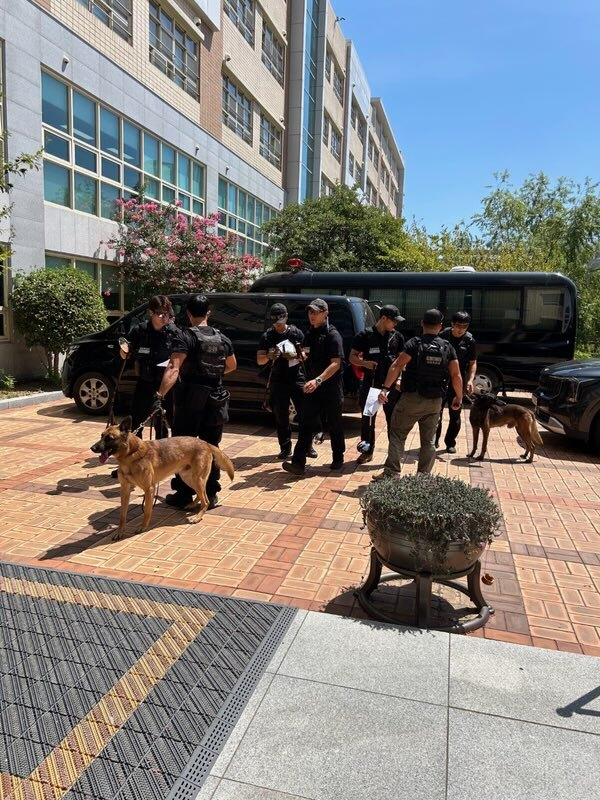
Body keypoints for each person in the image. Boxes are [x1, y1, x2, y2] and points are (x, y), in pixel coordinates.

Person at [155, 295, 237, 510]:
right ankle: (211, 493)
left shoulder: (185, 337)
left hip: (189, 401)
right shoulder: (223, 339)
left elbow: (173, 368)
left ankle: (183, 494)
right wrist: (212, 375)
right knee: (211, 447)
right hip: (216, 399)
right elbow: (231, 366)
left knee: (182, 448)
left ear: (189, 313)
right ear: (208, 313)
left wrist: (160, 395)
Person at [375, 309, 462, 477]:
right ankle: (423, 477)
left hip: (411, 398)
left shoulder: (414, 343)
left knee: (398, 434)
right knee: (428, 441)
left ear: (422, 323)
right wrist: (458, 397)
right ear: (440, 326)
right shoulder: (447, 347)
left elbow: (397, 365)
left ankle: (391, 473)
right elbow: (456, 375)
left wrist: (385, 388)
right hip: (435, 401)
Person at [110, 295, 178, 478]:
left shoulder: (173, 332)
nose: (164, 317)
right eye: (159, 314)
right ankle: (128, 463)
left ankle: (160, 463)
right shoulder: (140, 330)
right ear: (150, 313)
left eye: (167, 314)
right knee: (136, 421)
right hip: (145, 382)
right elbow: (126, 352)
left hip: (164, 385)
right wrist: (124, 350)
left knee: (162, 424)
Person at [282, 298, 345, 475]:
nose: (312, 315)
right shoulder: (310, 333)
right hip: (312, 387)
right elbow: (307, 354)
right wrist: (296, 355)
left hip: (329, 387)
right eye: (310, 312)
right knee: (306, 423)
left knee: (334, 423)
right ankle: (298, 463)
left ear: (325, 314)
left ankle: (338, 457)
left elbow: (336, 364)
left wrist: (318, 380)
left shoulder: (333, 335)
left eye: (315, 312)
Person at [256, 303, 317, 460]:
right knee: (281, 415)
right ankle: (285, 447)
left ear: (286, 317)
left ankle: (307, 446)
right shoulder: (267, 336)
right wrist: (269, 356)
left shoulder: (296, 333)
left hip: (297, 376)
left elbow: (305, 354)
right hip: (278, 378)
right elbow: (259, 360)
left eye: (281, 320)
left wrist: (295, 355)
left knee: (304, 413)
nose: (278, 324)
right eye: (275, 321)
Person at [349, 304, 405, 464]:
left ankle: (393, 456)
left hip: (392, 386)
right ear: (384, 318)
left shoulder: (397, 337)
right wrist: (364, 363)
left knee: (392, 421)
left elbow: (402, 362)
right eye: (393, 321)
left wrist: (400, 378)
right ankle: (367, 451)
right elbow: (352, 357)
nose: (395, 324)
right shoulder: (365, 335)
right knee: (368, 419)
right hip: (371, 383)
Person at [435, 311, 477, 453]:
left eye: (465, 327)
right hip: (440, 379)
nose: (461, 330)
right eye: (458, 326)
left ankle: (450, 442)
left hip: (458, 381)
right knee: (436, 412)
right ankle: (434, 441)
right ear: (452, 324)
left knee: (455, 413)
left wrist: (470, 380)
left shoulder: (469, 340)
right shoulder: (442, 336)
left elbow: (473, 363)